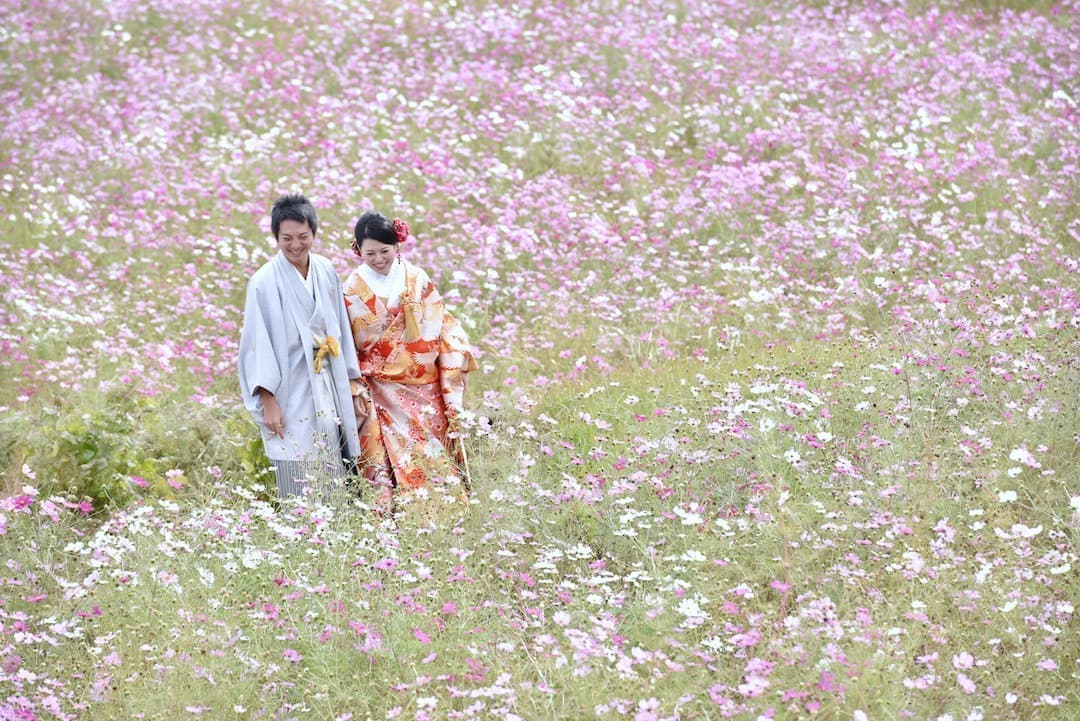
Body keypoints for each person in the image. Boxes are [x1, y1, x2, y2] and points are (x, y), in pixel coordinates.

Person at [344, 211, 477, 512]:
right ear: (358, 250)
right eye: (370, 253)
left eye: (385, 252)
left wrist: (456, 364)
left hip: (424, 386)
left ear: (398, 246)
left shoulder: (417, 279)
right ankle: (394, 525)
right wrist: (353, 384)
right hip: (379, 390)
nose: (378, 260)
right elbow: (346, 340)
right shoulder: (351, 288)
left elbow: (444, 325)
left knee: (430, 456)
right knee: (387, 462)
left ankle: (444, 516)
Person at [238, 193, 363, 499]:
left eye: (303, 237)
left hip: (326, 378)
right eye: (287, 238)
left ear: (314, 234)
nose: (296, 245)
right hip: (289, 385)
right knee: (296, 454)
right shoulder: (263, 282)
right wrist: (267, 399)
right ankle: (302, 529)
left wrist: (352, 380)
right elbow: (257, 343)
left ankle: (334, 529)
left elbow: (341, 330)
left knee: (332, 453)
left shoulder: (325, 270)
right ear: (276, 237)